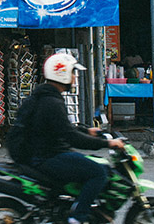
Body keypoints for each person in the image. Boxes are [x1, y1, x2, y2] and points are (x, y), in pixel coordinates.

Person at [6, 53, 124, 224]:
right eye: (73, 73)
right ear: (61, 74)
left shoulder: (44, 97)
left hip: (43, 154)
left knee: (96, 166)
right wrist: (107, 143)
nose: (75, 77)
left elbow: (60, 128)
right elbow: (71, 138)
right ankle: (77, 218)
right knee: (98, 172)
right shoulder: (52, 102)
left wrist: (87, 130)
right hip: (48, 157)